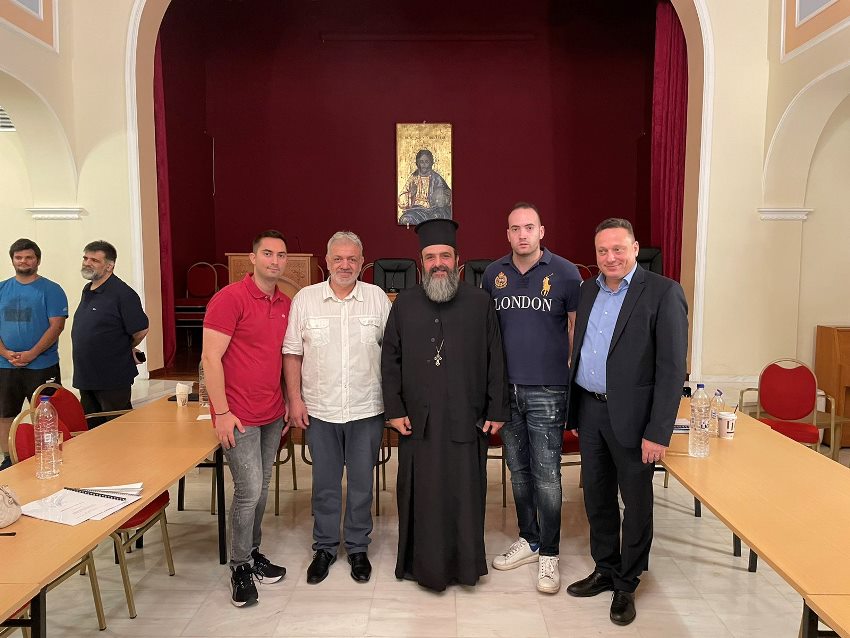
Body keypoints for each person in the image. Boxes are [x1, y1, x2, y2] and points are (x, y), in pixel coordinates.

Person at [566, 218, 687, 626]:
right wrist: (578, 410)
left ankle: (627, 581)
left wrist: (658, 431)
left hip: (636, 420)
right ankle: (605, 567)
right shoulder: (587, 290)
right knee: (596, 497)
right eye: (602, 251)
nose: (610, 257)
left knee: (635, 504)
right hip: (590, 410)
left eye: (618, 248)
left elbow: (671, 369)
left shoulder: (663, 293)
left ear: (635, 249)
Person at [381, 218, 510, 591]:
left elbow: (496, 358)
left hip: (467, 420)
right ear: (421, 262)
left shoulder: (480, 302)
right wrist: (394, 410)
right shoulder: (404, 304)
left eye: (445, 256)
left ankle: (464, 566)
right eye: (430, 257)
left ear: (457, 259)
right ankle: (421, 566)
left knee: (464, 495)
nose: (438, 263)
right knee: (420, 495)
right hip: (417, 423)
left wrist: (497, 409)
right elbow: (390, 360)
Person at [483, 202, 582, 594]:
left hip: (548, 390)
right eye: (515, 228)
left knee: (546, 474)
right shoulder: (493, 274)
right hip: (506, 391)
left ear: (541, 232)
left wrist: (570, 377)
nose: (522, 234)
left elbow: (575, 330)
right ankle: (530, 538)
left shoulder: (566, 273)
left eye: (529, 227)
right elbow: (487, 333)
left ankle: (550, 553)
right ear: (507, 234)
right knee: (518, 471)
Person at [283, 231, 391, 584]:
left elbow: (394, 353)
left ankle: (358, 547)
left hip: (366, 408)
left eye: (352, 259)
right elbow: (292, 352)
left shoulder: (377, 298)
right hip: (320, 409)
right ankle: (325, 547)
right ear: (326, 261)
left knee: (361, 484)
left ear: (362, 262)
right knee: (325, 484)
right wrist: (295, 399)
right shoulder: (306, 299)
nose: (345, 265)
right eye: (338, 259)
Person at [201, 230, 291, 608]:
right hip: (237, 414)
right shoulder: (229, 298)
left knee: (262, 487)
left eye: (281, 255)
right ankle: (239, 566)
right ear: (253, 258)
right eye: (267, 253)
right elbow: (210, 358)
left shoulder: (285, 302)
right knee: (249, 490)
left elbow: (282, 357)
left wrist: (287, 402)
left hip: (272, 412)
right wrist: (221, 412)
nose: (275, 260)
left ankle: (252, 554)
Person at [0, 238, 68, 470]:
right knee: (5, 414)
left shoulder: (51, 290)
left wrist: (32, 353)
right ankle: (9, 459)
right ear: (12, 260)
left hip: (42, 366)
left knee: (45, 413)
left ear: (37, 260)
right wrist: (5, 352)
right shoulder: (2, 288)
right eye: (19, 257)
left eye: (29, 257)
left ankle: (48, 454)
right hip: (5, 365)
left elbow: (57, 326)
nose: (23, 261)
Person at [71, 241, 148, 425]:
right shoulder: (88, 289)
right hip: (86, 374)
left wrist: (123, 347)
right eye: (85, 258)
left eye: (94, 260)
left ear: (109, 266)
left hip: (112, 376)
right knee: (91, 426)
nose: (87, 263)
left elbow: (141, 329)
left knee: (117, 427)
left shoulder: (123, 294)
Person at [397, 149, 452, 225]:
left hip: (433, 209)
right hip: (416, 210)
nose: (424, 165)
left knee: (437, 218)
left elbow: (448, 194)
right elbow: (401, 201)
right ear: (417, 163)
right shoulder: (413, 178)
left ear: (431, 163)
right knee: (405, 219)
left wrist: (441, 196)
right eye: (421, 162)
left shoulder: (436, 178)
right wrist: (410, 194)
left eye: (426, 162)